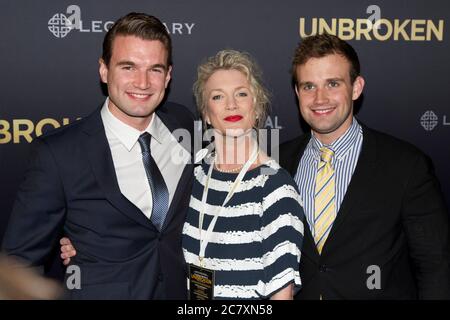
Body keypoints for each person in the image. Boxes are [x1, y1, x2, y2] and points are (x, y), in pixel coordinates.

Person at [61, 49, 305, 300]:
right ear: (206, 114)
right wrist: (86, 243)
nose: (231, 104)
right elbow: (147, 232)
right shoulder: (193, 174)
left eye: (241, 94)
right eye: (218, 97)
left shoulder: (275, 187)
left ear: (256, 106)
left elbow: (282, 294)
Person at [2, 12, 194, 299]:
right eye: (128, 67)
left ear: (168, 75)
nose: (142, 82)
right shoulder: (60, 153)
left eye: (154, 69)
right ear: (104, 70)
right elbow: (18, 265)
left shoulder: (183, 123)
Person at [279, 33, 450, 299]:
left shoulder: (406, 165)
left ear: (356, 87)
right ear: (297, 92)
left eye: (332, 83)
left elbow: (435, 265)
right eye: (309, 86)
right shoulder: (277, 162)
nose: (319, 98)